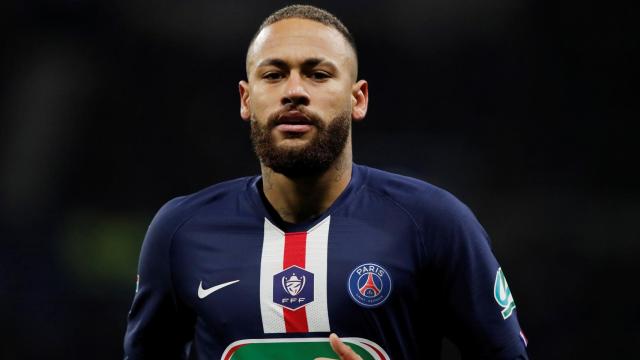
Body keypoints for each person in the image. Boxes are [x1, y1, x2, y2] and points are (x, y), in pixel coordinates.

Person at [123, 4, 529, 360]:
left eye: (317, 74)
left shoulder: (435, 222)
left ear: (358, 99)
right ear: (246, 99)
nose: (294, 91)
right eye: (274, 74)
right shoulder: (180, 231)